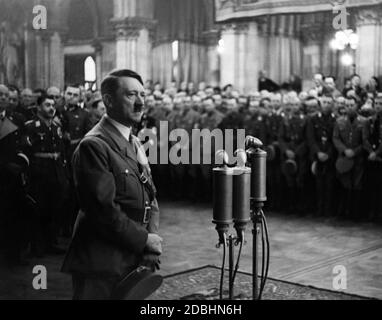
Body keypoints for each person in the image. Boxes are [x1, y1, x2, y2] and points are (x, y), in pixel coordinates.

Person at [61, 69, 162, 300]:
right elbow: (103, 211)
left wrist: (150, 241)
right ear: (108, 100)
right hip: (102, 262)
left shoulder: (133, 141)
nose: (140, 103)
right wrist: (145, 240)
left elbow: (150, 196)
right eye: (131, 95)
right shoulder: (94, 145)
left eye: (142, 95)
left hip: (132, 256)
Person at [24, 94, 69, 256]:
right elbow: (27, 152)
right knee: (39, 210)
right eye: (47, 105)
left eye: (53, 105)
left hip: (56, 172)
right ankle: (37, 246)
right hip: (40, 173)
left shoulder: (56, 126)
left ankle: (51, 243)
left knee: (54, 209)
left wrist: (64, 174)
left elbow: (62, 151)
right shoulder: (31, 126)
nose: (51, 108)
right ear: (39, 108)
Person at [333, 97, 366, 219]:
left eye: (352, 105)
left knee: (357, 185)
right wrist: (344, 150)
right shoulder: (339, 121)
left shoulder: (363, 121)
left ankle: (355, 213)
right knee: (344, 183)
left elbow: (365, 141)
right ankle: (344, 212)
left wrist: (355, 151)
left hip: (358, 159)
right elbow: (335, 138)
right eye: (347, 105)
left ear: (357, 106)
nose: (349, 107)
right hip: (344, 158)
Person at [306, 95, 337, 217]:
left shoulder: (336, 119)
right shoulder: (313, 119)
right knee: (318, 185)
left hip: (329, 156)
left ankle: (327, 210)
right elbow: (311, 138)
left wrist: (328, 154)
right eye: (324, 102)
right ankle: (319, 209)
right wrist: (318, 152)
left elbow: (335, 138)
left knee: (329, 185)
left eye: (329, 102)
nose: (326, 105)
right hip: (316, 156)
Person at [363, 94, 382, 221]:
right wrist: (371, 152)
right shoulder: (369, 120)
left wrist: (377, 153)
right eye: (376, 104)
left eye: (381, 104)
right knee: (371, 185)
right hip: (370, 157)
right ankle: (371, 212)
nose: (378, 106)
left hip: (380, 157)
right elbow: (364, 138)